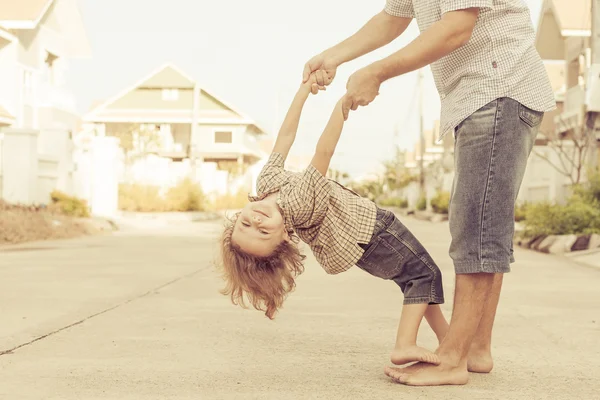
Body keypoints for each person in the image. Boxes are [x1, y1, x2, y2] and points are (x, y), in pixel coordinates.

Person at [302, 0, 556, 386]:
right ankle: (474, 349)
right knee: (483, 222)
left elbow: (457, 26)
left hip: (499, 87)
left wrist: (376, 72)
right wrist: (333, 57)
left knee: (476, 230)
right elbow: (393, 16)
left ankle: (452, 358)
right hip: (480, 96)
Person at [218, 71, 450, 367]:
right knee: (424, 276)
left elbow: (285, 136)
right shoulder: (297, 202)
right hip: (374, 231)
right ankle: (405, 344)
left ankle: (448, 341)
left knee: (414, 281)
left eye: (246, 224)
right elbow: (323, 152)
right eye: (263, 232)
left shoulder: (266, 183)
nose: (257, 221)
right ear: (285, 237)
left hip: (364, 240)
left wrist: (302, 92)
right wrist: (343, 105)